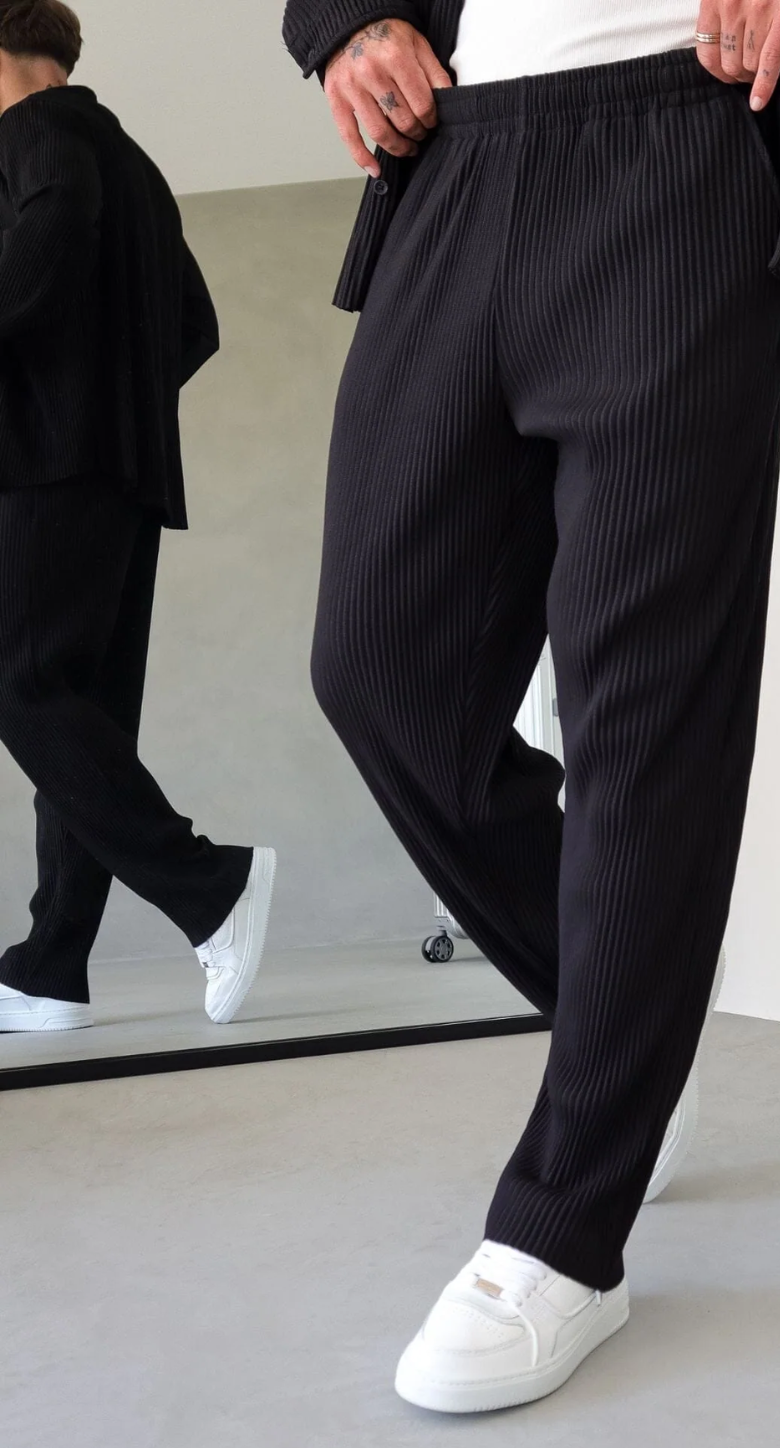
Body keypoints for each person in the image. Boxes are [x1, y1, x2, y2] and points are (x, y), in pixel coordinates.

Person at [283, 0, 780, 1413]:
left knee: (641, 718)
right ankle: (625, 1037)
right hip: (456, 154)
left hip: (683, 134)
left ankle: (564, 1231)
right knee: (378, 670)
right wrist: (342, 22)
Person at [0, 0, 276, 1034]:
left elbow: (44, 247)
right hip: (124, 477)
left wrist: (59, 403)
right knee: (84, 716)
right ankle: (50, 965)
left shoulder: (34, 128)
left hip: (46, 468)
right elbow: (193, 324)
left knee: (22, 684)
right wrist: (114, 403)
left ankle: (210, 886)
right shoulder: (136, 167)